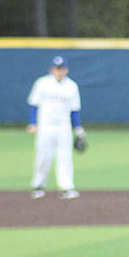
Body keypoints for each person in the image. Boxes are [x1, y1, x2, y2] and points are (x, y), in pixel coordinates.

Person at [26, 55, 86, 200]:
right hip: (45, 126)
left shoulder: (72, 86)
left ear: (66, 70)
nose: (59, 71)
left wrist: (78, 129)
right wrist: (32, 123)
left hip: (63, 127)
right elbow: (34, 104)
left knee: (65, 157)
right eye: (57, 68)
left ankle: (66, 187)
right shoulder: (42, 83)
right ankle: (38, 185)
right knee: (43, 157)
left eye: (62, 68)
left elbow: (74, 110)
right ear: (51, 69)